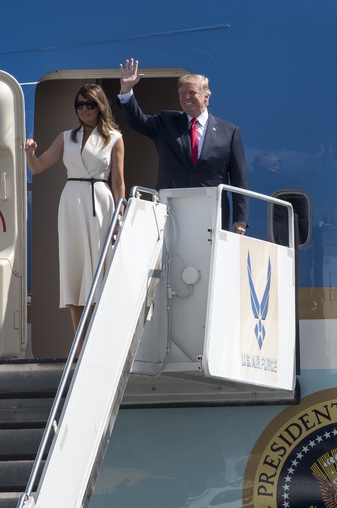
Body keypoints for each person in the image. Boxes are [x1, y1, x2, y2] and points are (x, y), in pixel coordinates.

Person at [23, 84, 125, 335]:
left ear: (100, 106)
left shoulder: (114, 137)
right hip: (70, 201)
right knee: (74, 267)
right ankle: (79, 340)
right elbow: (37, 168)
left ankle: (101, 335)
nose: (85, 109)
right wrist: (29, 153)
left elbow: (119, 181)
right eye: (80, 104)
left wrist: (119, 217)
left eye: (90, 104)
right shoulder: (66, 136)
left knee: (99, 269)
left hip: (100, 202)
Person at [117, 58, 249, 233]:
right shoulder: (167, 122)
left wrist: (240, 219)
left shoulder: (229, 132)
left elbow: (239, 179)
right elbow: (138, 121)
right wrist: (126, 90)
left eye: (192, 93)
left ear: (206, 96)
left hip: (211, 211)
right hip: (171, 208)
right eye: (182, 94)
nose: (186, 97)